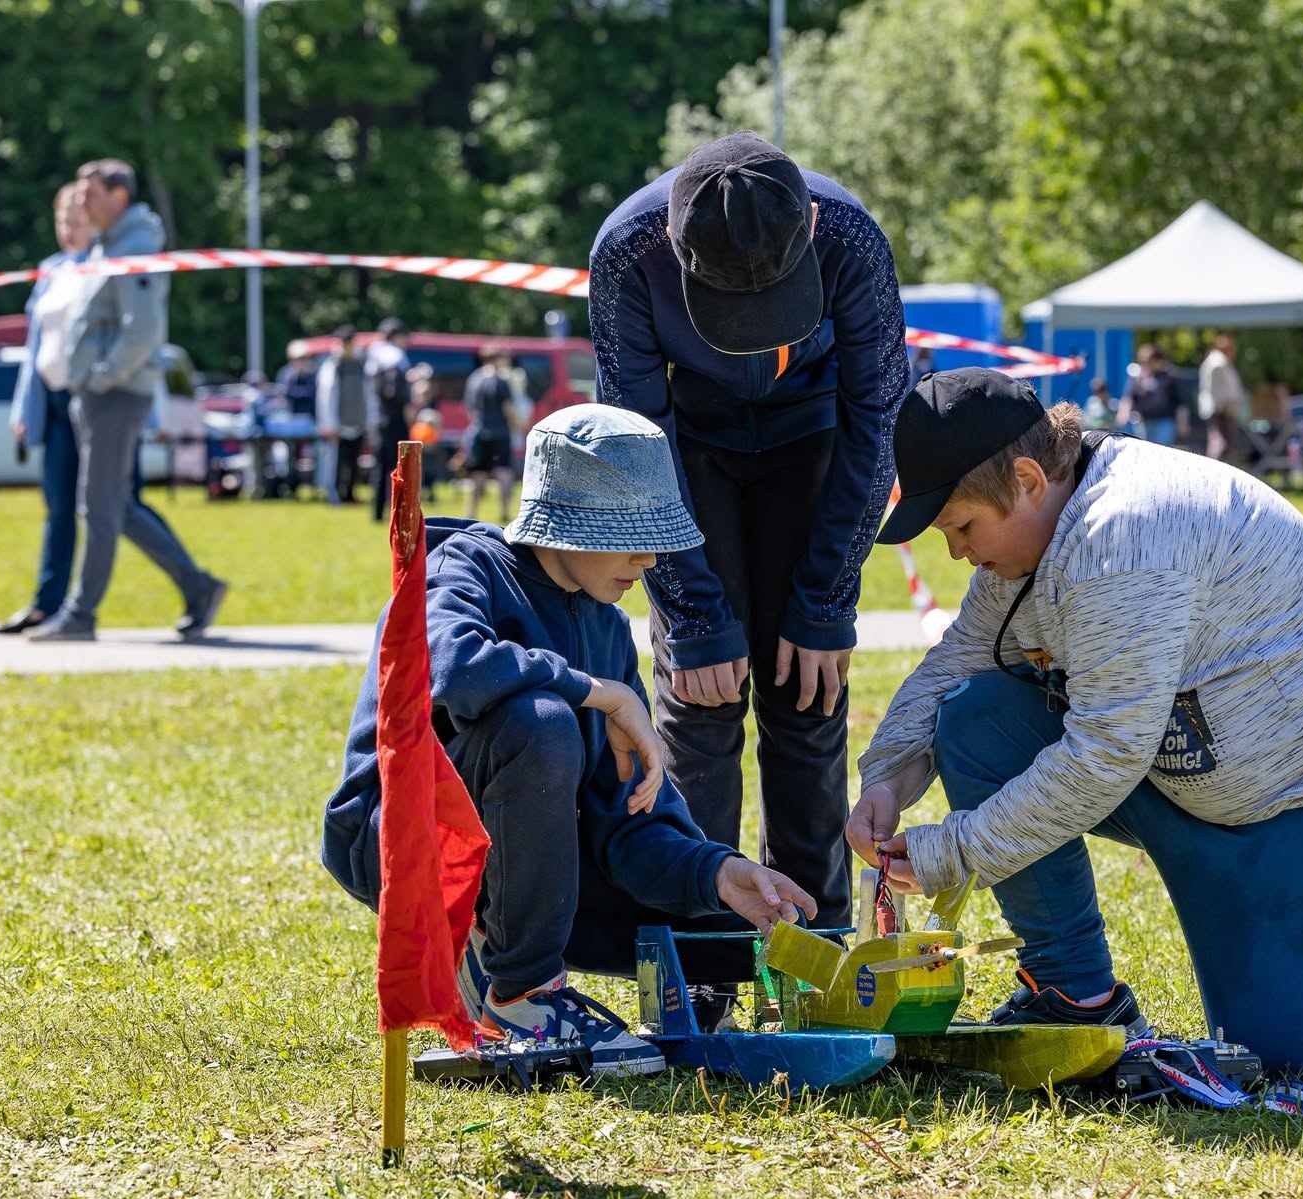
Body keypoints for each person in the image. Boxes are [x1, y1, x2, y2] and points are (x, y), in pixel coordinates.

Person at [850, 368, 1303, 1078]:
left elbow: (1103, 757)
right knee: (976, 714)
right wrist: (886, 776)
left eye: (962, 525)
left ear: (1029, 479)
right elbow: (955, 666)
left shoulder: (1124, 535)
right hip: (1188, 778)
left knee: (1291, 1054)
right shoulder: (1040, 528)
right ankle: (1072, 996)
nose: (957, 551)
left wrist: (955, 850)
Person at [322, 404, 820, 1074]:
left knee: (721, 925)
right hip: (399, 839)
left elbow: (630, 822)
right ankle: (520, 994)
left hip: (531, 849)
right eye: (630, 535)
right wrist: (597, 692)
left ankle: (506, 945)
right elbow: (447, 664)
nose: (648, 559)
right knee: (543, 723)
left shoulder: (608, 629)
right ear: (564, 520)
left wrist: (720, 872)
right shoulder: (464, 566)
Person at [589, 130, 905, 926]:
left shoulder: (852, 236)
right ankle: (702, 957)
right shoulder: (626, 252)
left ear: (805, 230)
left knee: (808, 688)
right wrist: (693, 614)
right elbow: (636, 442)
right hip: (684, 450)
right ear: (673, 239)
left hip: (815, 440)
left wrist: (826, 600)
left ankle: (818, 945)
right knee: (701, 697)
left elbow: (878, 425)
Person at [29, 160, 227, 642]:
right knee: (118, 509)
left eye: (90, 193)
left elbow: (143, 331)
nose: (82, 202)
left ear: (119, 195)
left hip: (116, 395)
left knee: (97, 508)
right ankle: (198, 587)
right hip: (101, 394)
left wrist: (100, 376)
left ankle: (81, 615)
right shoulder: (109, 244)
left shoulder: (135, 247)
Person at [0, 182, 96, 634]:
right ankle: (47, 605)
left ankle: (195, 584)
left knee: (117, 510)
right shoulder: (50, 270)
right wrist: (23, 407)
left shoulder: (107, 266)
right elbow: (35, 345)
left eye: (77, 222)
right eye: (63, 222)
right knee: (58, 506)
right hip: (53, 402)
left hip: (93, 402)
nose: (69, 231)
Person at [459, 344, 518, 523]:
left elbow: (468, 407)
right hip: (500, 431)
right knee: (504, 472)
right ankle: (506, 511)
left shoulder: (474, 379)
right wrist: (519, 425)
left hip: (479, 431)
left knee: (478, 473)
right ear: (497, 358)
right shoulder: (500, 381)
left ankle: (471, 511)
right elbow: (508, 409)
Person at [315, 325, 369, 507]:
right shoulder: (332, 366)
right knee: (335, 463)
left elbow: (368, 394)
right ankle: (334, 495)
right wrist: (329, 424)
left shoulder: (361, 363)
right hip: (338, 424)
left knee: (354, 462)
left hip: (358, 422)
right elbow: (326, 397)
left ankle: (350, 495)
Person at [366, 317, 413, 522]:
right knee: (399, 468)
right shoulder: (395, 357)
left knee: (380, 468)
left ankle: (377, 512)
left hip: (377, 418)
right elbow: (396, 392)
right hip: (394, 419)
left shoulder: (373, 355)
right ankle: (399, 512)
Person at [275, 339, 323, 497]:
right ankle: (289, 485)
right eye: (298, 358)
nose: (302, 361)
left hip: (312, 423)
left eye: (304, 357)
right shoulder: (286, 374)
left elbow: (312, 397)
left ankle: (319, 487)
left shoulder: (315, 375)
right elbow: (288, 396)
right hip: (290, 423)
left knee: (319, 453)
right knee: (283, 454)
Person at [1115, 343, 1181, 447]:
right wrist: (1122, 414)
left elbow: (1179, 401)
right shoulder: (1137, 377)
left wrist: (1182, 422)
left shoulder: (1169, 376)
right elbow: (1128, 397)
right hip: (1143, 422)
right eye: (1145, 361)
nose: (1147, 364)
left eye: (1150, 360)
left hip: (1164, 422)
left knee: (1163, 453)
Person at [1198, 332, 1244, 462]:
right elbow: (1217, 388)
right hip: (1220, 410)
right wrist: (1225, 404)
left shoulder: (1218, 361)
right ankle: (1213, 474)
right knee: (1220, 444)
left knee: (1224, 443)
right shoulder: (1218, 362)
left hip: (1221, 409)